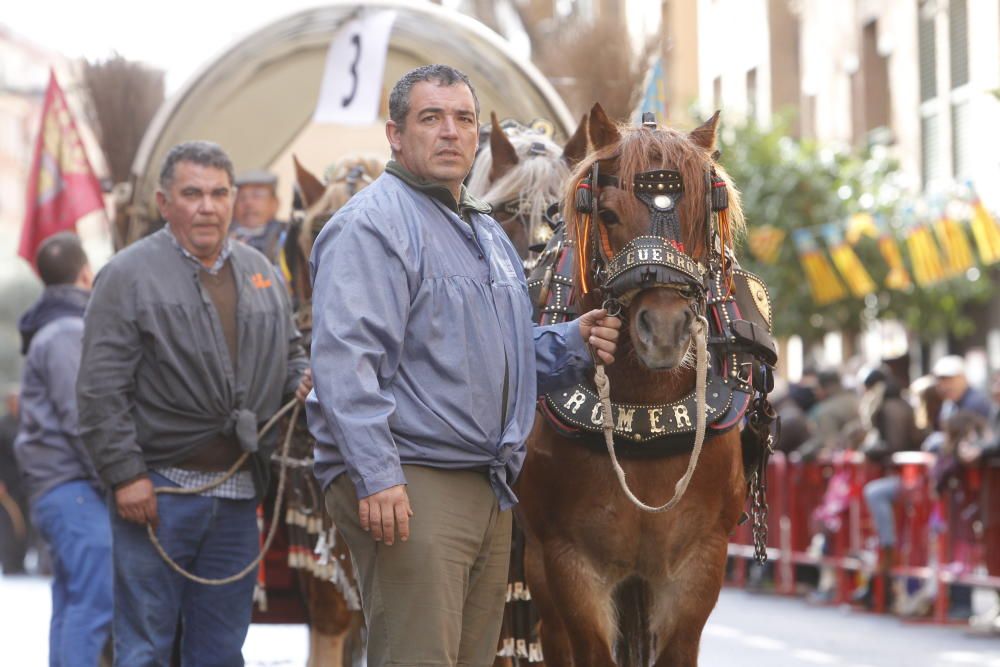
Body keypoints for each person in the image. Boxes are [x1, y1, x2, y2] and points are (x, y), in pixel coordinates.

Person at [306, 64, 621, 666]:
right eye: (431, 118)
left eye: (463, 119)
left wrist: (572, 342)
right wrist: (377, 475)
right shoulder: (371, 225)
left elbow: (498, 354)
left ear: (477, 136)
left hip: (484, 485)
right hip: (411, 484)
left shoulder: (483, 230)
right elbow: (347, 364)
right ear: (395, 135)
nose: (450, 132)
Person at [77, 141, 311, 666]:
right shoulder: (126, 275)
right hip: (157, 492)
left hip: (237, 495)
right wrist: (124, 474)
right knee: (145, 650)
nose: (208, 206)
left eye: (218, 193)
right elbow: (99, 389)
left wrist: (302, 379)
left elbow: (290, 354)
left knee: (222, 651)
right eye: (192, 193)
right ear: (164, 203)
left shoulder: (263, 273)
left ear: (232, 201)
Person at [14, 233, 112, 665]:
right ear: (86, 273)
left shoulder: (47, 326)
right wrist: (112, 478)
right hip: (73, 487)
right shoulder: (68, 330)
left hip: (57, 487)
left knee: (72, 602)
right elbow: (81, 418)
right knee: (92, 605)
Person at [230, 169, 287, 265]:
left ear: (275, 203)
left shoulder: (288, 237)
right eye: (241, 197)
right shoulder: (221, 240)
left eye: (256, 195)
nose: (248, 203)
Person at [0, 388, 29, 575]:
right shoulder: (2, 426)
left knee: (26, 523)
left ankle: (21, 561)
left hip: (25, 483)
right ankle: (10, 563)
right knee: (9, 524)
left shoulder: (27, 424)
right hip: (7, 485)